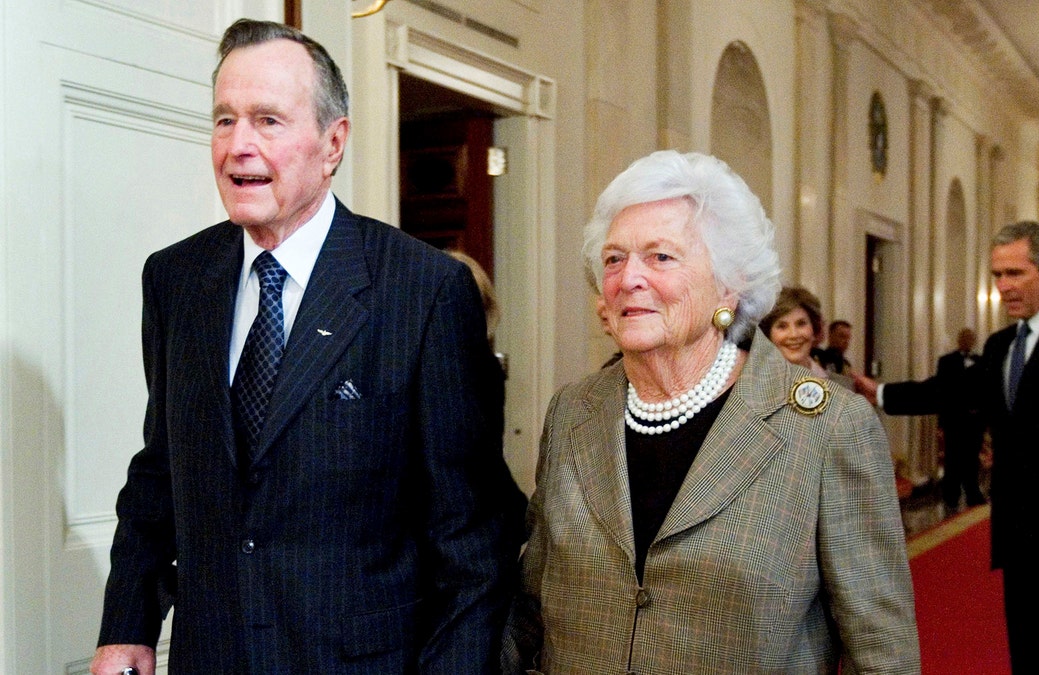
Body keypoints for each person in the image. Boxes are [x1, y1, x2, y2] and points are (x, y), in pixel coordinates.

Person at [90, 19, 520, 674]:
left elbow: (472, 550)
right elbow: (160, 473)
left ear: (332, 142)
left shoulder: (424, 292)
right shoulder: (176, 280)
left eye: (267, 121)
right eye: (224, 120)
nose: (238, 147)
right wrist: (127, 625)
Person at [505, 150, 919, 673]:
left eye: (660, 257)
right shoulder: (573, 411)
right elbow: (533, 602)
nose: (628, 277)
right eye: (613, 258)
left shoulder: (828, 426)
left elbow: (880, 649)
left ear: (729, 284)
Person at [855, 221, 1039, 673]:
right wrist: (879, 393)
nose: (1003, 286)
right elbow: (952, 390)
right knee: (1031, 653)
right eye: (997, 275)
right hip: (1022, 532)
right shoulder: (1002, 344)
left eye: (1015, 273)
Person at [760, 285, 852, 389]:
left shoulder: (843, 386)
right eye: (782, 326)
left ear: (814, 329)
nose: (793, 335)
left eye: (801, 324)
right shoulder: (750, 387)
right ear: (768, 335)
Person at [935, 327, 986, 512]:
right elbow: (941, 391)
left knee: (972, 458)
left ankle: (972, 492)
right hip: (954, 419)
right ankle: (951, 494)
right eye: (963, 337)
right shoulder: (946, 361)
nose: (966, 341)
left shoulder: (981, 362)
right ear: (959, 340)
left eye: (970, 338)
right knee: (953, 458)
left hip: (974, 421)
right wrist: (941, 422)